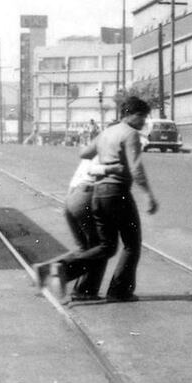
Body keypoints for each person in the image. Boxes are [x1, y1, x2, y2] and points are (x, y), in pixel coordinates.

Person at [38, 96, 158, 302]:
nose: (143, 121)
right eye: (141, 116)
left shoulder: (106, 133)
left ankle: (57, 270)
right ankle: (119, 291)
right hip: (118, 192)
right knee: (132, 244)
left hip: (99, 195)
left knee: (106, 246)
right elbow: (136, 168)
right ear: (129, 114)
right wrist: (148, 196)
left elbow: (84, 153)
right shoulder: (130, 134)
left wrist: (105, 159)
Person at [40, 157, 125, 300]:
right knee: (102, 247)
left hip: (73, 198)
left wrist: (67, 206)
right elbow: (96, 171)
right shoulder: (109, 151)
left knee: (88, 249)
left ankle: (82, 289)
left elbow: (75, 180)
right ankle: (58, 273)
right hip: (88, 197)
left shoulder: (91, 154)